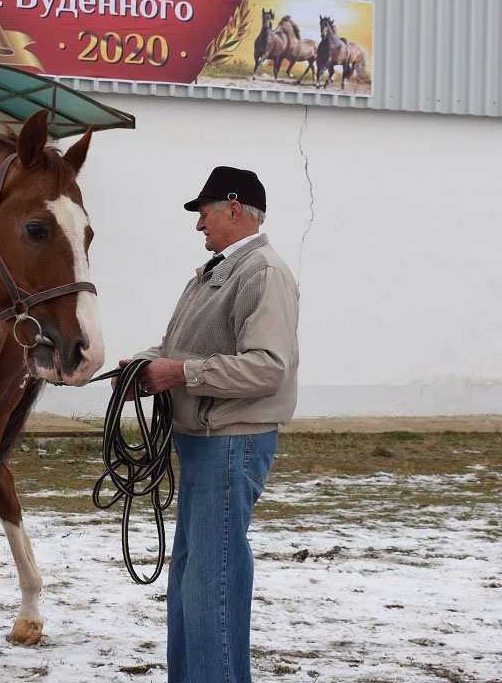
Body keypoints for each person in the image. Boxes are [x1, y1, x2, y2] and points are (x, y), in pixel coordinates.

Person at [116, 166, 299, 683]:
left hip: (230, 443)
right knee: (193, 578)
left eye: (203, 212)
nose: (199, 225)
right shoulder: (216, 273)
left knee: (210, 582)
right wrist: (140, 367)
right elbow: (184, 349)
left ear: (234, 209)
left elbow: (269, 366)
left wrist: (177, 373)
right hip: (205, 442)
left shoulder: (262, 272)